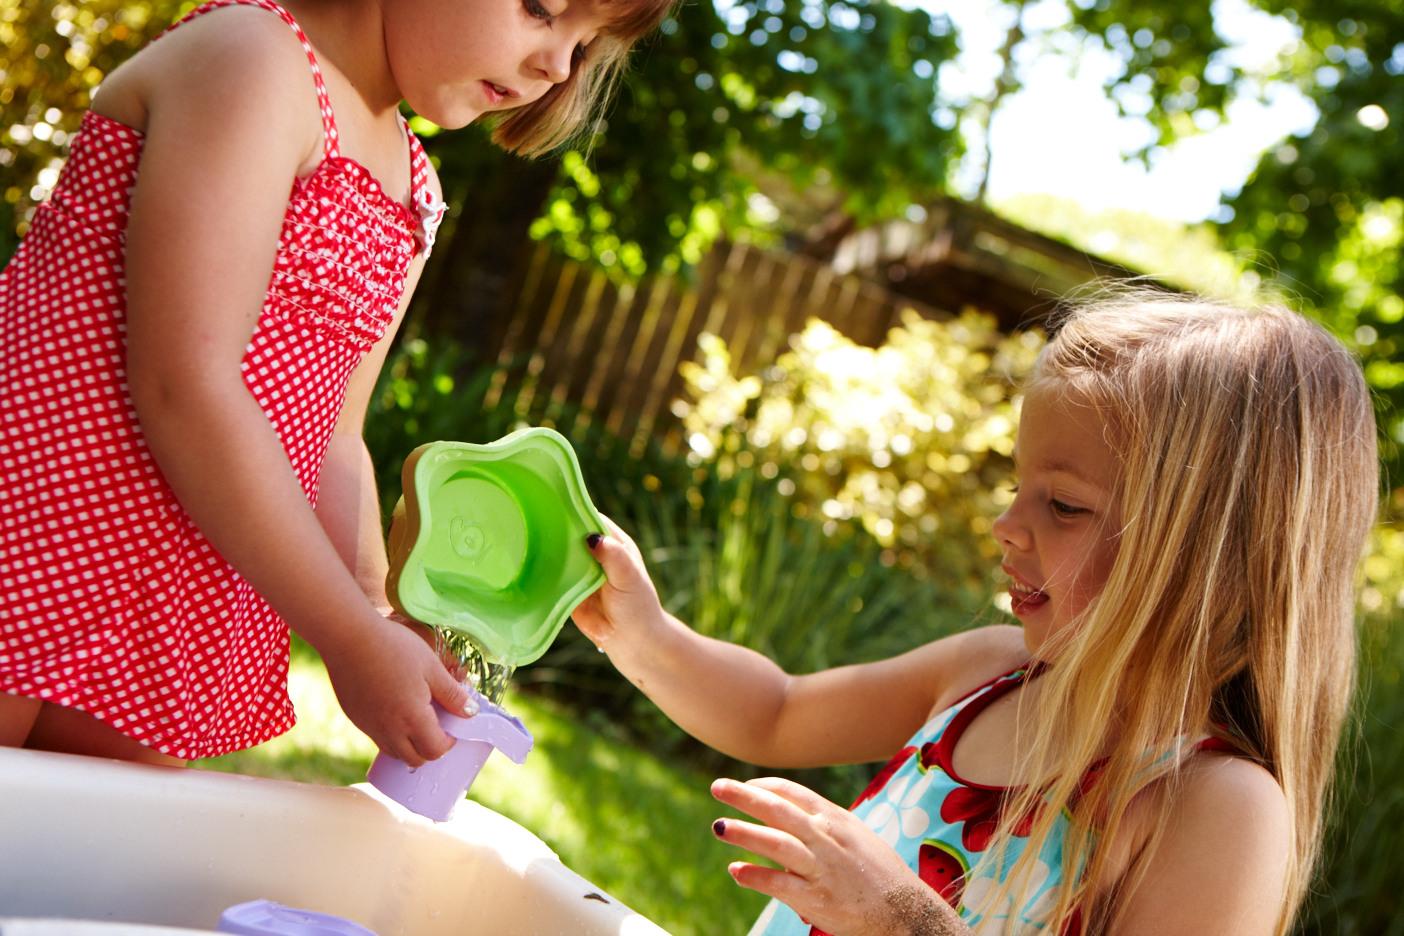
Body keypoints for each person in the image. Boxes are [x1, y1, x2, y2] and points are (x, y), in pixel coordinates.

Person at [575, 294, 1379, 935]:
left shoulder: (1216, 808)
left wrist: (903, 919)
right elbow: (776, 712)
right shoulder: (985, 674)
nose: (1008, 525)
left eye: (1063, 504)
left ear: (1209, 559)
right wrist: (645, 636)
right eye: (1015, 489)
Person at [0, 0, 671, 767]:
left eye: (585, 46)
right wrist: (348, 638)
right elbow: (186, 384)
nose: (558, 65)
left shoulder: (414, 191)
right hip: (32, 524)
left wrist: (381, 614)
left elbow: (335, 440)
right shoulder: (257, 60)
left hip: (178, 599)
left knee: (66, 872)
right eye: (543, 10)